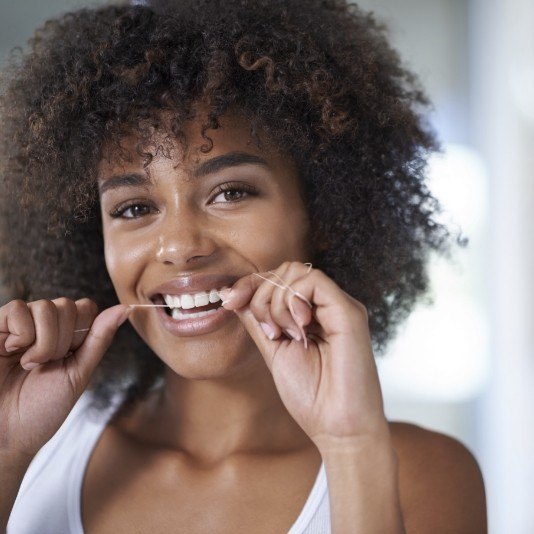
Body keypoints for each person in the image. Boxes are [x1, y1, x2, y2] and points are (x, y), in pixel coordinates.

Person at [0, 0, 486, 532]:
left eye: (230, 192)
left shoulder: (421, 474)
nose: (180, 246)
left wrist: (351, 447)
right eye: (134, 208)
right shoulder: (34, 449)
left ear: (322, 213)